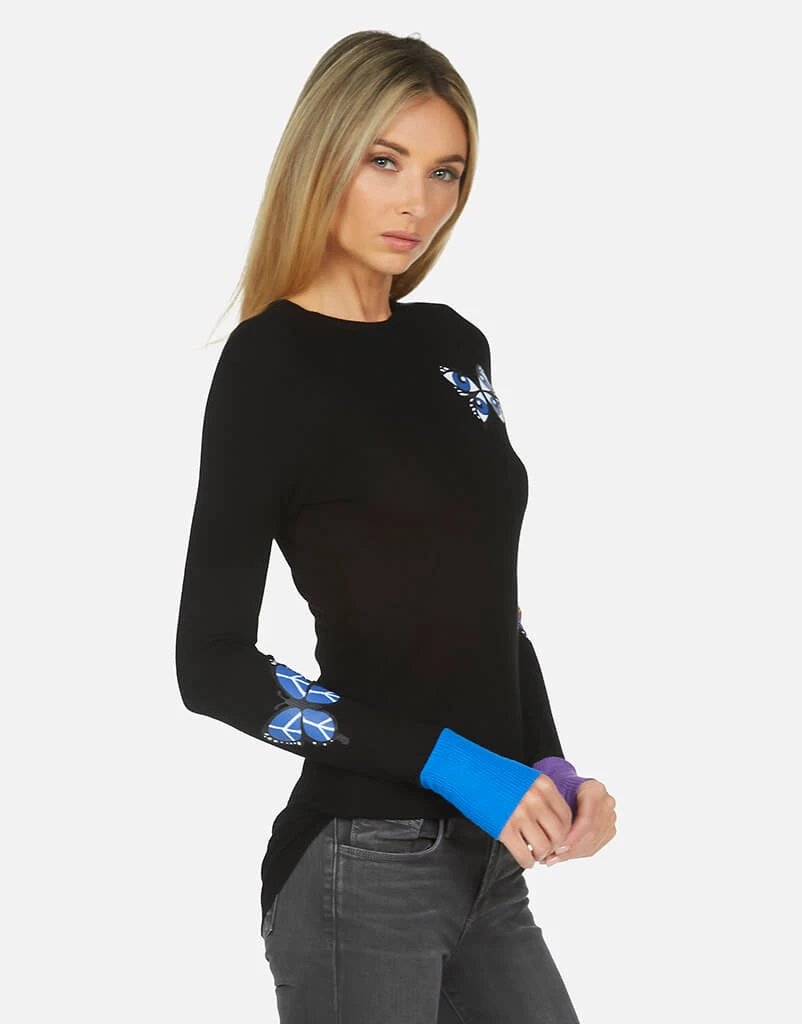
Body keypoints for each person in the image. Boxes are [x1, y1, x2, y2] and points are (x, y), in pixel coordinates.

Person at [175, 28, 617, 1023]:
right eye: (385, 161)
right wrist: (458, 765)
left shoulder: (453, 345)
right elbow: (211, 665)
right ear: (323, 157)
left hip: (488, 865)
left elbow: (486, 611)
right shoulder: (270, 364)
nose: (417, 201)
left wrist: (547, 771)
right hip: (360, 865)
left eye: (444, 171)